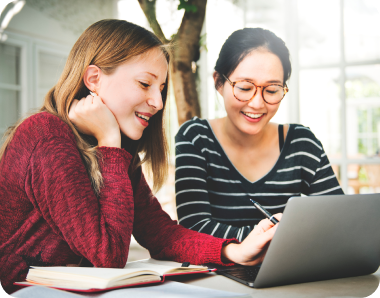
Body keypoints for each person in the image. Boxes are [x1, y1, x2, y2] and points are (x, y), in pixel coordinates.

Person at [0, 20, 280, 294]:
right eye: (145, 83)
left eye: (160, 89)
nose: (158, 103)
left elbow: (159, 232)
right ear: (94, 79)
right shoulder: (46, 135)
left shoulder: (116, 151)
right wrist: (109, 142)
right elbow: (108, 256)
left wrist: (235, 251)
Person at [175, 28, 343, 241]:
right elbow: (193, 227)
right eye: (245, 88)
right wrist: (279, 238)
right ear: (219, 82)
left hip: (288, 270)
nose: (257, 103)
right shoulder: (197, 138)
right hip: (217, 273)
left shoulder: (301, 143)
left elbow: (339, 221)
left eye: (272, 90)